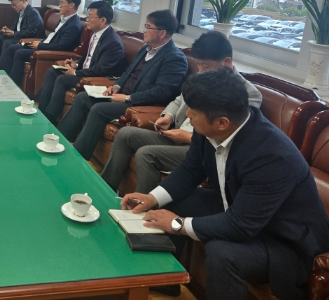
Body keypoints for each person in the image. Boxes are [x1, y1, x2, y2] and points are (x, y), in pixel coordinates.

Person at [121, 68, 329, 300]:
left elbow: (241, 224)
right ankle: (164, 278)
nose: (187, 115)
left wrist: (177, 224)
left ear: (222, 122)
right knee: (175, 200)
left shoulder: (271, 156)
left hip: (282, 240)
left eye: (193, 112)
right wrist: (152, 198)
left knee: (222, 253)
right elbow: (190, 169)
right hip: (240, 208)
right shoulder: (210, 129)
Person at [101, 31, 262, 194]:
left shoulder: (248, 94)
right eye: (198, 65)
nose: (201, 71)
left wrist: (189, 137)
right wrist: (168, 116)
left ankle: (142, 204)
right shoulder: (202, 79)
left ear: (226, 62)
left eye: (206, 66)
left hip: (201, 149)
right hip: (175, 135)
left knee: (146, 154)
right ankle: (105, 190)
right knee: (126, 134)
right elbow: (179, 100)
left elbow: (232, 137)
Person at [58, 10, 188, 160]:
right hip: (122, 95)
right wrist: (116, 87)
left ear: (162, 33)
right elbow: (127, 73)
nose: (144, 31)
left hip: (139, 104)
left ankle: (78, 156)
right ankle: (61, 139)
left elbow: (162, 92)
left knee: (99, 109)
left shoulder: (174, 58)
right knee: (83, 97)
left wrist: (127, 98)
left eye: (148, 27)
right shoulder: (145, 49)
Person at [36, 1, 125, 124]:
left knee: (62, 79)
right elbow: (89, 58)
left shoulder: (113, 42)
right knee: (52, 71)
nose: (87, 20)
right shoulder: (95, 33)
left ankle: (50, 118)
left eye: (90, 17)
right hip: (85, 72)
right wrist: (76, 65)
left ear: (102, 20)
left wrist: (75, 73)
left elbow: (101, 70)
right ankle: (41, 110)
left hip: (94, 78)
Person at [0, 0, 83, 85]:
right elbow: (52, 37)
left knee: (19, 53)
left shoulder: (73, 25)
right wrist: (38, 42)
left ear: (71, 5)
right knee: (12, 47)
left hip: (49, 51)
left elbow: (61, 46)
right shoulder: (64, 19)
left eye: (62, 3)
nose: (59, 5)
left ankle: (12, 84)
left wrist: (40, 45)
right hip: (44, 44)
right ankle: (3, 77)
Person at [0, 0, 44, 70]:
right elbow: (15, 27)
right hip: (20, 36)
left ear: (23, 1)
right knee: (0, 38)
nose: (14, 7)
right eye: (12, 5)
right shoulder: (19, 12)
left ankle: (2, 68)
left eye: (15, 5)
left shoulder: (32, 13)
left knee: (7, 43)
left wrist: (14, 33)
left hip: (30, 40)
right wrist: (8, 30)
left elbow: (31, 32)